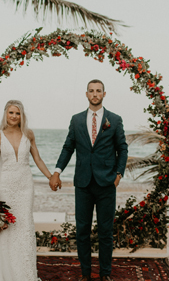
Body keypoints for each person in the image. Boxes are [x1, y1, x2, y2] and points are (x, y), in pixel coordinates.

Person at [50, 80, 128, 281]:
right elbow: (68, 147)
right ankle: (85, 274)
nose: (95, 94)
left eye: (98, 91)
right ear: (86, 94)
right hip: (83, 184)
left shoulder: (115, 120)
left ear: (104, 94)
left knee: (105, 231)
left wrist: (118, 175)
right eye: (91, 91)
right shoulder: (76, 120)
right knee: (82, 230)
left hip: (107, 184)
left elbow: (123, 149)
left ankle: (105, 274)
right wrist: (57, 171)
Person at [0, 100, 51, 280]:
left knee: (24, 226)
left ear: (22, 115)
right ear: (5, 114)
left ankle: (26, 272)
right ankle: (7, 272)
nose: (14, 116)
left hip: (25, 186)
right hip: (5, 185)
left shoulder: (28, 134)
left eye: (17, 113)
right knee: (7, 227)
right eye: (11, 113)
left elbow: (37, 159)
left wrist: (50, 177)